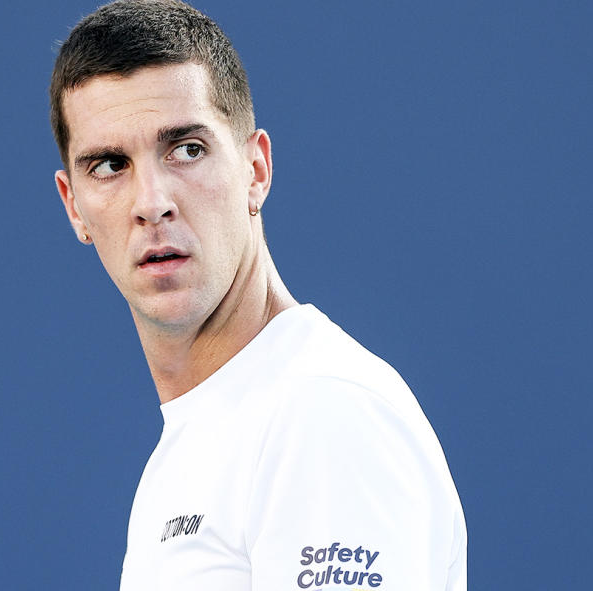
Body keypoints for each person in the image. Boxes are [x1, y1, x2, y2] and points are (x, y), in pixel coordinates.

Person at [49, 1, 466, 588]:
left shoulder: (320, 411)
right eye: (110, 165)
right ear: (75, 207)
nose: (152, 202)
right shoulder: (202, 440)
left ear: (256, 169)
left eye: (186, 149)